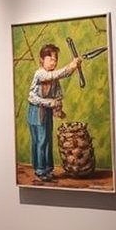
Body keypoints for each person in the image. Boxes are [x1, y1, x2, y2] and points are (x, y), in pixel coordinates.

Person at [26, 43, 81, 182]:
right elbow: (33, 97)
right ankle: (40, 170)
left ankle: (48, 169)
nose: (54, 62)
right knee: (40, 141)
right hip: (36, 112)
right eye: (50, 59)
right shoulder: (40, 73)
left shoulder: (54, 79)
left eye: (55, 60)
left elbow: (57, 95)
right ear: (42, 59)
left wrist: (58, 109)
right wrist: (70, 67)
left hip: (47, 113)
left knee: (48, 140)